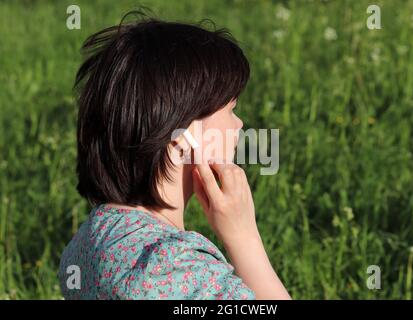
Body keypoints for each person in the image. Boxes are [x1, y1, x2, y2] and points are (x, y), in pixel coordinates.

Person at [58, 11, 291, 300]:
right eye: (230, 109)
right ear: (182, 135)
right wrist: (244, 238)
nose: (239, 124)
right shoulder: (176, 270)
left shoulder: (89, 239)